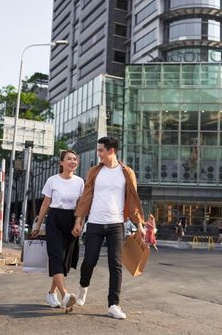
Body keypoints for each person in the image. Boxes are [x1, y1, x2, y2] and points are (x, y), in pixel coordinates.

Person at [72, 136, 145, 319]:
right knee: (89, 260)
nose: (99, 154)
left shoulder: (127, 173)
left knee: (115, 264)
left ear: (111, 151)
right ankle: (83, 286)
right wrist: (79, 221)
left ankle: (114, 304)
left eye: (101, 151)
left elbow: (133, 201)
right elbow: (86, 197)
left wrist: (140, 225)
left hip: (116, 224)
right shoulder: (94, 172)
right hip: (95, 223)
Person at [31, 150, 84, 312]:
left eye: (75, 159)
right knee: (55, 256)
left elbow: (81, 206)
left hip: (71, 221)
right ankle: (65, 295)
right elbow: (45, 205)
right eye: (69, 159)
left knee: (63, 261)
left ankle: (51, 293)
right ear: (61, 163)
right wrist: (37, 225)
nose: (73, 161)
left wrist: (78, 222)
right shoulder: (52, 180)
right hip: (54, 220)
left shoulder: (80, 182)